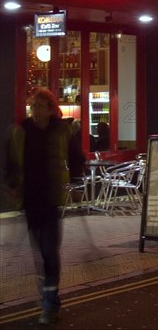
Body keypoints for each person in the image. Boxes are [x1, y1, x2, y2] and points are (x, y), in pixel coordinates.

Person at [4, 88, 84, 325]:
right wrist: (12, 185)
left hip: (50, 200)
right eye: (33, 107)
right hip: (30, 201)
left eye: (41, 107)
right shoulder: (21, 132)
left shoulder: (62, 131)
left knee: (49, 251)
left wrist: (77, 185)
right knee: (39, 254)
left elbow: (77, 158)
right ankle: (46, 296)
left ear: (51, 109)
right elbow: (11, 163)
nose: (36, 111)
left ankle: (50, 303)